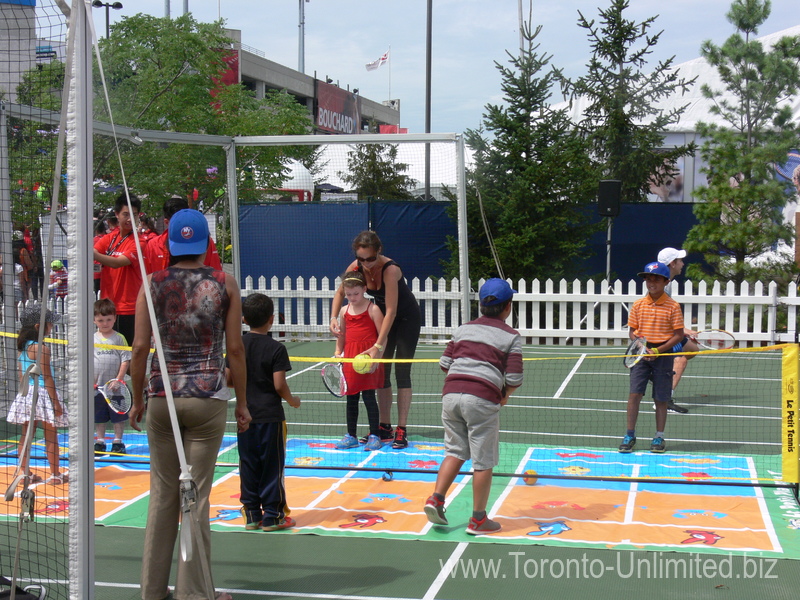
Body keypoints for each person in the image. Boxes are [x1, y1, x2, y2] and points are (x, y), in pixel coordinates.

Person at [129, 208, 250, 600]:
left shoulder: (150, 284)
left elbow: (140, 348)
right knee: (194, 499)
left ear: (168, 244)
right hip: (207, 398)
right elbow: (235, 349)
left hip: (162, 399)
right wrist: (243, 403)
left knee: (163, 496)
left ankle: (152, 590)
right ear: (206, 245)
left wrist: (136, 400)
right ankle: (194, 593)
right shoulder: (225, 283)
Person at [423, 278, 523, 535]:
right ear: (507, 307)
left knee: (455, 451)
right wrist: (505, 395)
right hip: (481, 399)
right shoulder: (511, 336)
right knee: (483, 460)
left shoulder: (463, 329)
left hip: (450, 395)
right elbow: (514, 378)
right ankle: (478, 519)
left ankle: (436, 498)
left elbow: (444, 363)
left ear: (481, 305)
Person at [329, 231, 421, 449]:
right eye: (362, 259)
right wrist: (334, 318)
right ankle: (384, 426)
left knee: (402, 373)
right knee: (381, 374)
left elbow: (390, 310)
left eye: (370, 258)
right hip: (383, 322)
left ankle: (401, 429)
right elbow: (340, 294)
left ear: (379, 251)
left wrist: (378, 345)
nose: (366, 264)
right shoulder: (356, 267)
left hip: (405, 320)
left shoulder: (391, 270)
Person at [234, 292, 300, 531]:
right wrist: (292, 400)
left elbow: (230, 379)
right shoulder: (276, 348)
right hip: (271, 418)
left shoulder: (237, 346)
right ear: (271, 319)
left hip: (244, 416)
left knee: (248, 464)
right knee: (272, 467)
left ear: (244, 319)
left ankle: (251, 513)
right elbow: (279, 385)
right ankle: (273, 516)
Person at [619, 262, 684, 454]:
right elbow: (632, 332)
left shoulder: (673, 306)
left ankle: (659, 437)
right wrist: (641, 347)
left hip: (662, 355)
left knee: (661, 398)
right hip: (641, 353)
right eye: (648, 278)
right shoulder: (638, 304)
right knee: (634, 395)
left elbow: (679, 335)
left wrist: (658, 351)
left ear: (666, 281)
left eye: (656, 279)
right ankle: (629, 435)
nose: (651, 282)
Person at [6, 305, 69, 484]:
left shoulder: (22, 348)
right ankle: (55, 474)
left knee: (26, 434)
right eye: (49, 324)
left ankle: (24, 474)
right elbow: (47, 377)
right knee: (51, 435)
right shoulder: (41, 348)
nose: (52, 327)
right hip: (42, 395)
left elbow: (21, 376)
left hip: (26, 394)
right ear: (38, 326)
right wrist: (56, 403)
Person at [332, 271, 385, 451]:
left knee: (369, 398)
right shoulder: (344, 311)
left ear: (364, 289)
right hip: (350, 359)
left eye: (356, 293)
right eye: (348, 295)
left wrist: (376, 359)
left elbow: (382, 337)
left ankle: (375, 435)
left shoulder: (374, 309)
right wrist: (338, 351)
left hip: (368, 359)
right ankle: (351, 436)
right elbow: (342, 334)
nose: (352, 298)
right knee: (351, 398)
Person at [93, 194, 144, 346]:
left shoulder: (139, 241)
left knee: (128, 356)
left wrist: (94, 254)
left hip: (129, 308)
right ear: (117, 214)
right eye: (126, 214)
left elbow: (117, 263)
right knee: (110, 355)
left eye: (134, 215)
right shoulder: (111, 238)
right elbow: (94, 253)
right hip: (110, 309)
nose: (130, 219)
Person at [656, 247, 700, 414]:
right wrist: (684, 331)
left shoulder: (667, 282)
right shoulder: (663, 286)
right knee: (681, 359)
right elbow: (661, 317)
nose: (682, 263)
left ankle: (661, 377)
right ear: (672, 263)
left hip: (669, 331)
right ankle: (664, 399)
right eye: (680, 260)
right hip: (662, 334)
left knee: (692, 350)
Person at [144, 196, 222, 274]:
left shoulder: (203, 241)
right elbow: (148, 278)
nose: (183, 225)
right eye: (178, 223)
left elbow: (217, 275)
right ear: (167, 222)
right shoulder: (153, 245)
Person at [93, 299, 131, 456]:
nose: (105, 323)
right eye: (101, 320)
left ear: (115, 318)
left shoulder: (119, 338)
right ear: (94, 320)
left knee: (118, 417)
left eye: (108, 319)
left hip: (116, 388)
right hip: (97, 388)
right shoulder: (91, 338)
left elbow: (125, 359)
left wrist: (119, 379)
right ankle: (100, 441)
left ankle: (117, 442)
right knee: (99, 417)